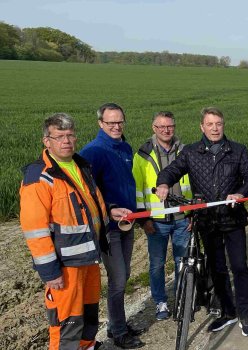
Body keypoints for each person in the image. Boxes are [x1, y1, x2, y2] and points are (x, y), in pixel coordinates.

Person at [20, 113, 133, 350]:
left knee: (89, 312)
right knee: (66, 321)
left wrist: (109, 211)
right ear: (46, 141)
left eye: (70, 135)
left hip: (88, 257)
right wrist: (50, 272)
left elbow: (89, 203)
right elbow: (35, 230)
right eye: (59, 136)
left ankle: (87, 345)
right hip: (65, 265)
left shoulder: (80, 165)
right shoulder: (39, 177)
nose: (66, 141)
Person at [155, 107, 248, 336]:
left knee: (239, 266)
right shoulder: (191, 152)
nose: (214, 128)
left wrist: (241, 193)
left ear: (223, 125)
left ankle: (245, 313)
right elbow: (172, 170)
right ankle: (228, 312)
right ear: (202, 127)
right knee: (217, 268)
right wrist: (163, 183)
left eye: (218, 123)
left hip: (232, 218)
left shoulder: (237, 150)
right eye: (209, 124)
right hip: (207, 221)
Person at [80, 102, 146, 349]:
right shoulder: (93, 152)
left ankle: (116, 323)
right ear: (100, 124)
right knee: (118, 279)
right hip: (109, 228)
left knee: (124, 275)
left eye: (120, 122)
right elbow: (87, 194)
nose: (116, 126)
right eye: (111, 123)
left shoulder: (125, 147)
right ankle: (117, 331)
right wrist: (108, 209)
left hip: (127, 224)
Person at [131, 111, 192, 322]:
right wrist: (143, 219)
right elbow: (138, 189)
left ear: (174, 127)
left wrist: (192, 213)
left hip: (182, 218)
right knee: (157, 264)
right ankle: (160, 301)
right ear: (153, 128)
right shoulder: (142, 155)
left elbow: (192, 185)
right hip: (155, 220)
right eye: (161, 127)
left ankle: (182, 298)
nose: (166, 130)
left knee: (181, 261)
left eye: (170, 126)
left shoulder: (186, 151)